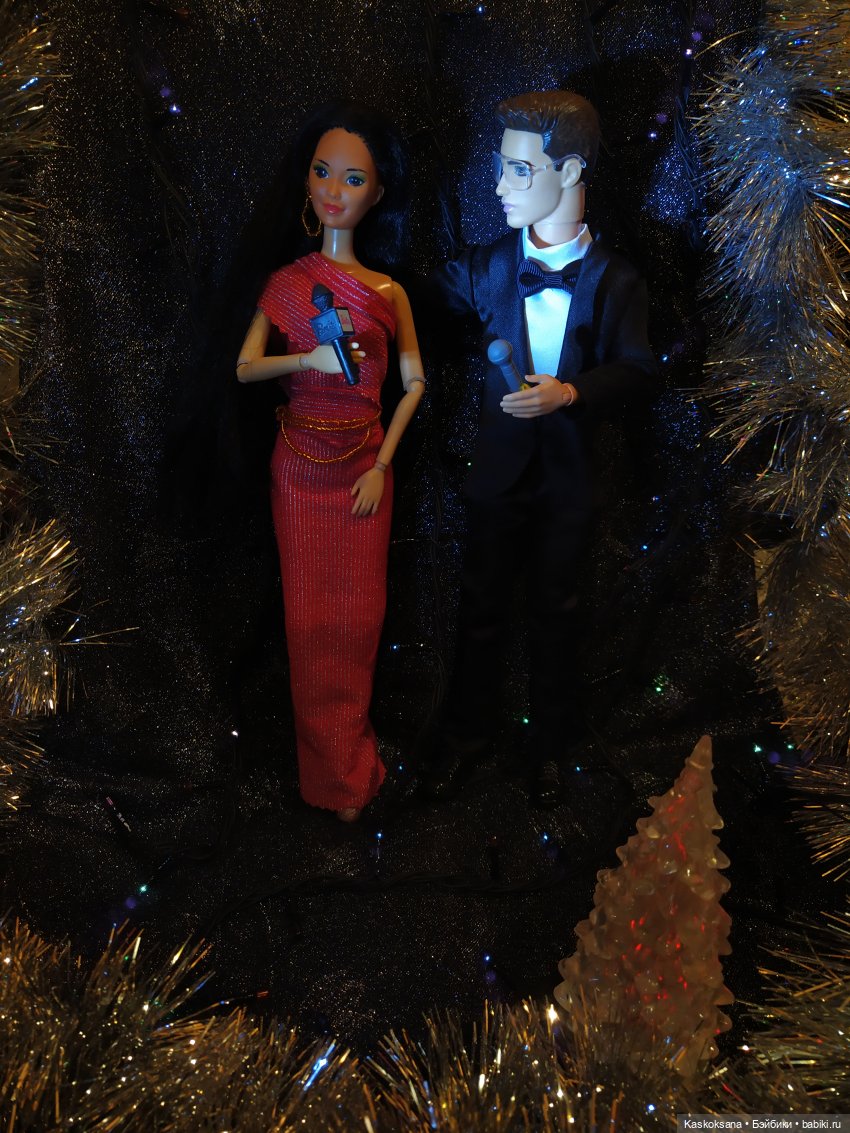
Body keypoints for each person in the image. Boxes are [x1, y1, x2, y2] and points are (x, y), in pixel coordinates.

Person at [424, 90, 655, 807]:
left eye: (519, 170)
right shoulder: (486, 266)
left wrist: (573, 392)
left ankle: (552, 747)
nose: (498, 186)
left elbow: (640, 369)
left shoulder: (617, 279)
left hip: (568, 479)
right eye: (502, 167)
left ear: (571, 170)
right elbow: (415, 304)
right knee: (479, 608)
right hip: (497, 475)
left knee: (559, 612)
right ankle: (466, 737)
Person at [236, 101, 425, 823]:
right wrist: (306, 358)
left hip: (362, 471)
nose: (333, 190)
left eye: (352, 178)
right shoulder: (286, 283)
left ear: (377, 193)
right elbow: (245, 368)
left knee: (357, 620)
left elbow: (414, 386)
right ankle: (328, 780)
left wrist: (381, 465)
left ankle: (353, 767)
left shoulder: (387, 293)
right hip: (297, 468)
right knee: (308, 626)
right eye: (322, 172)